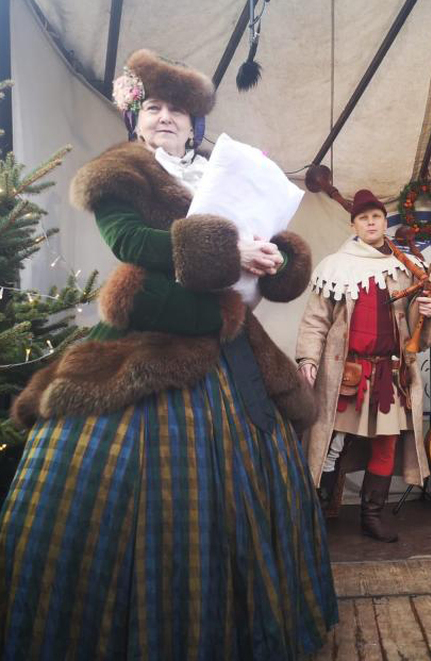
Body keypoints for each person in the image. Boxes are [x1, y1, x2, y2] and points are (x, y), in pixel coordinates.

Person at [0, 50, 337, 660]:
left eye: (177, 111)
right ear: (136, 116)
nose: (164, 118)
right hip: (155, 326)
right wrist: (228, 251)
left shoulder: (221, 171)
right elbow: (129, 241)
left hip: (230, 343)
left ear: (194, 123)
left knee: (256, 473)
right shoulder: (122, 171)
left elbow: (265, 241)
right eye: (152, 107)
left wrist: (273, 257)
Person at [296, 190, 431, 542]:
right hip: (346, 372)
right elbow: (316, 320)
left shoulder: (403, 267)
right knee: (331, 441)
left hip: (390, 372)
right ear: (353, 224)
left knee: (386, 442)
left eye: (376, 217)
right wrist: (308, 358)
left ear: (385, 222)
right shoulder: (336, 265)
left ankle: (372, 515)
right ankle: (315, 512)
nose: (370, 222)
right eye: (363, 217)